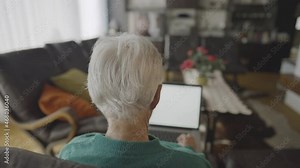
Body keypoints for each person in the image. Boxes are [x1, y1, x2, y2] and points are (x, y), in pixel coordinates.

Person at [59, 33, 211, 168]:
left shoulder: (71, 153)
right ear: (156, 96)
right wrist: (189, 150)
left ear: (94, 94)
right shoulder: (193, 163)